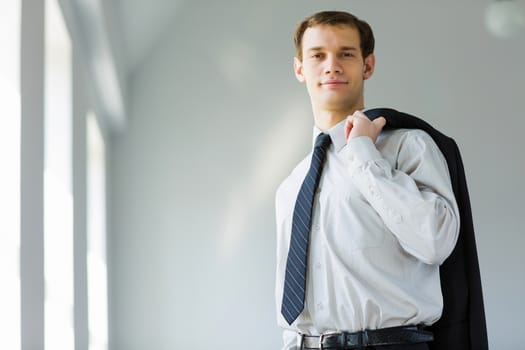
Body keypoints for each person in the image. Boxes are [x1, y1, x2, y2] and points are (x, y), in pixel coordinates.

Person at [274, 11, 474, 350]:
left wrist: (364, 153)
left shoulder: (409, 147)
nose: (332, 66)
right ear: (299, 69)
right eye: (318, 55)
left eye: (346, 54)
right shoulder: (292, 184)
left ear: (368, 65)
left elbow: (436, 243)